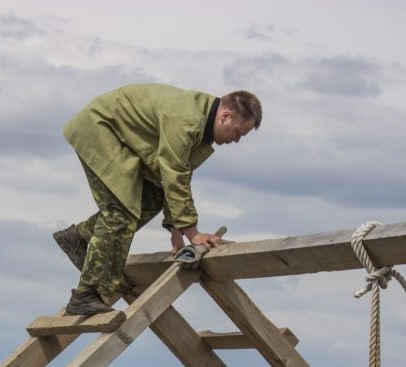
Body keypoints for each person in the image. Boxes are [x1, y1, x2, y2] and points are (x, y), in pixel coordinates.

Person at [53, 83, 261, 316]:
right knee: (120, 213)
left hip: (120, 139)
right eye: (238, 133)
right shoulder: (187, 121)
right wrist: (192, 233)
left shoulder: (200, 127)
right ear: (226, 116)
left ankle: (79, 237)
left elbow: (174, 178)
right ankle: (86, 295)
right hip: (100, 130)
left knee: (151, 199)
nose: (237, 141)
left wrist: (176, 229)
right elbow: (174, 174)